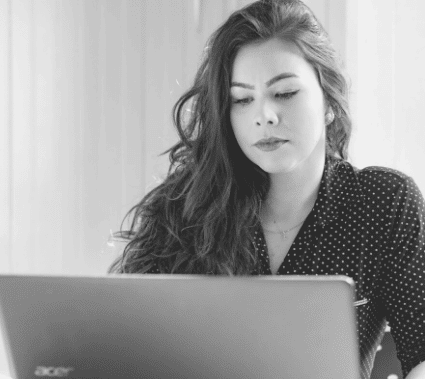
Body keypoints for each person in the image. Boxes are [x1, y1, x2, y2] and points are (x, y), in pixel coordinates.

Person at [108, 1, 424, 378]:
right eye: (242, 99)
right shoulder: (182, 210)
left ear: (328, 101)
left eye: (285, 93)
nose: (264, 116)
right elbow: (125, 352)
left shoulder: (382, 203)